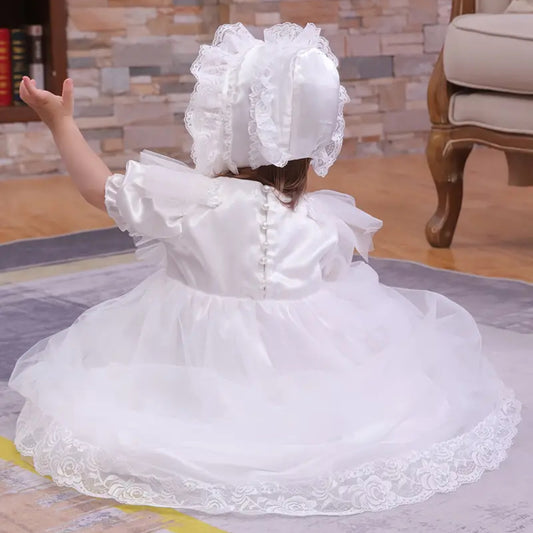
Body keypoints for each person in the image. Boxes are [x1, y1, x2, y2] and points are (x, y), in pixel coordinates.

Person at [9, 22, 520, 516]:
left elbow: (98, 188)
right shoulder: (321, 221)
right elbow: (329, 288)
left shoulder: (190, 202)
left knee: (116, 408)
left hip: (193, 361)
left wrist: (61, 122)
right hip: (301, 367)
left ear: (226, 128)